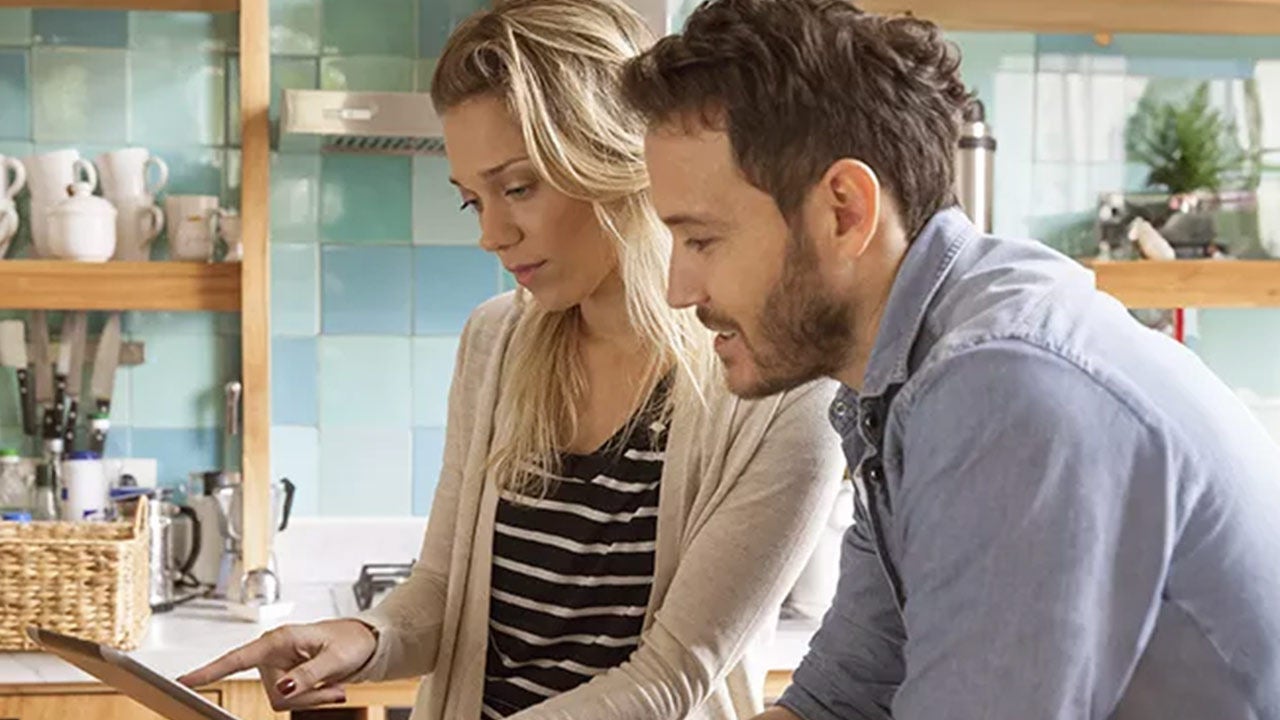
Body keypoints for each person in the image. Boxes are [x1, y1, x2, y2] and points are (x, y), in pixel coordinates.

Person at [179, 1, 846, 718]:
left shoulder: (782, 390)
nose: (492, 235)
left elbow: (671, 679)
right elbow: (440, 590)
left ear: (613, 156)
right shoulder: (494, 343)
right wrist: (361, 637)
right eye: (472, 201)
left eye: (518, 187)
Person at [621, 0, 1280, 718]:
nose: (678, 290)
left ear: (844, 211)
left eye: (702, 240)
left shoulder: (1005, 388)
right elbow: (844, 696)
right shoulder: (902, 383)